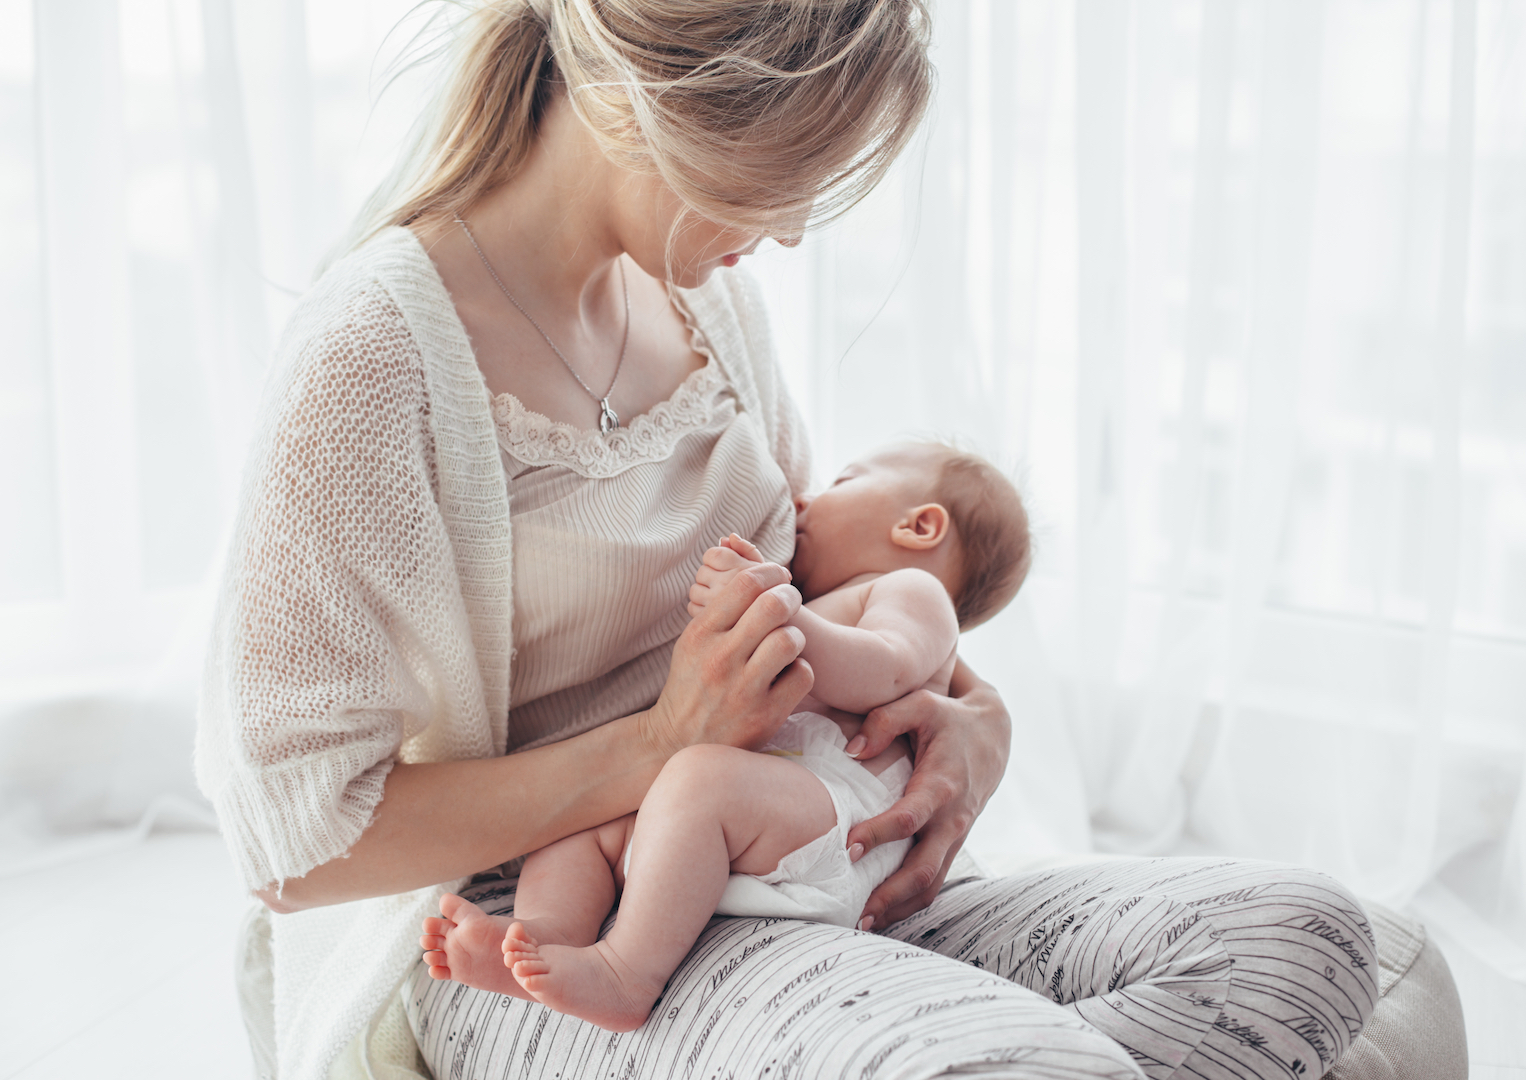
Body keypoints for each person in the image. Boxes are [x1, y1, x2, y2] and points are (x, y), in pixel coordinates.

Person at [197, 2, 1379, 1079]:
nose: (797, 230)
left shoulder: (705, 299)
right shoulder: (375, 360)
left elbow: (830, 581)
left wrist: (974, 718)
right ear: (666, 105)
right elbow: (298, 852)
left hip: (801, 860)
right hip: (563, 923)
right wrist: (660, 749)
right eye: (787, 174)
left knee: (1305, 940)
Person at [416, 442, 1031, 1031]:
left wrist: (779, 612)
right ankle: (542, 937)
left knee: (698, 779)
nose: (805, 501)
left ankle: (625, 974)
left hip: (844, 822)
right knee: (584, 824)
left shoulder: (914, 594)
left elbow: (884, 668)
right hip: (765, 820)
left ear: (919, 526)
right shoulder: (835, 598)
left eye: (842, 480)